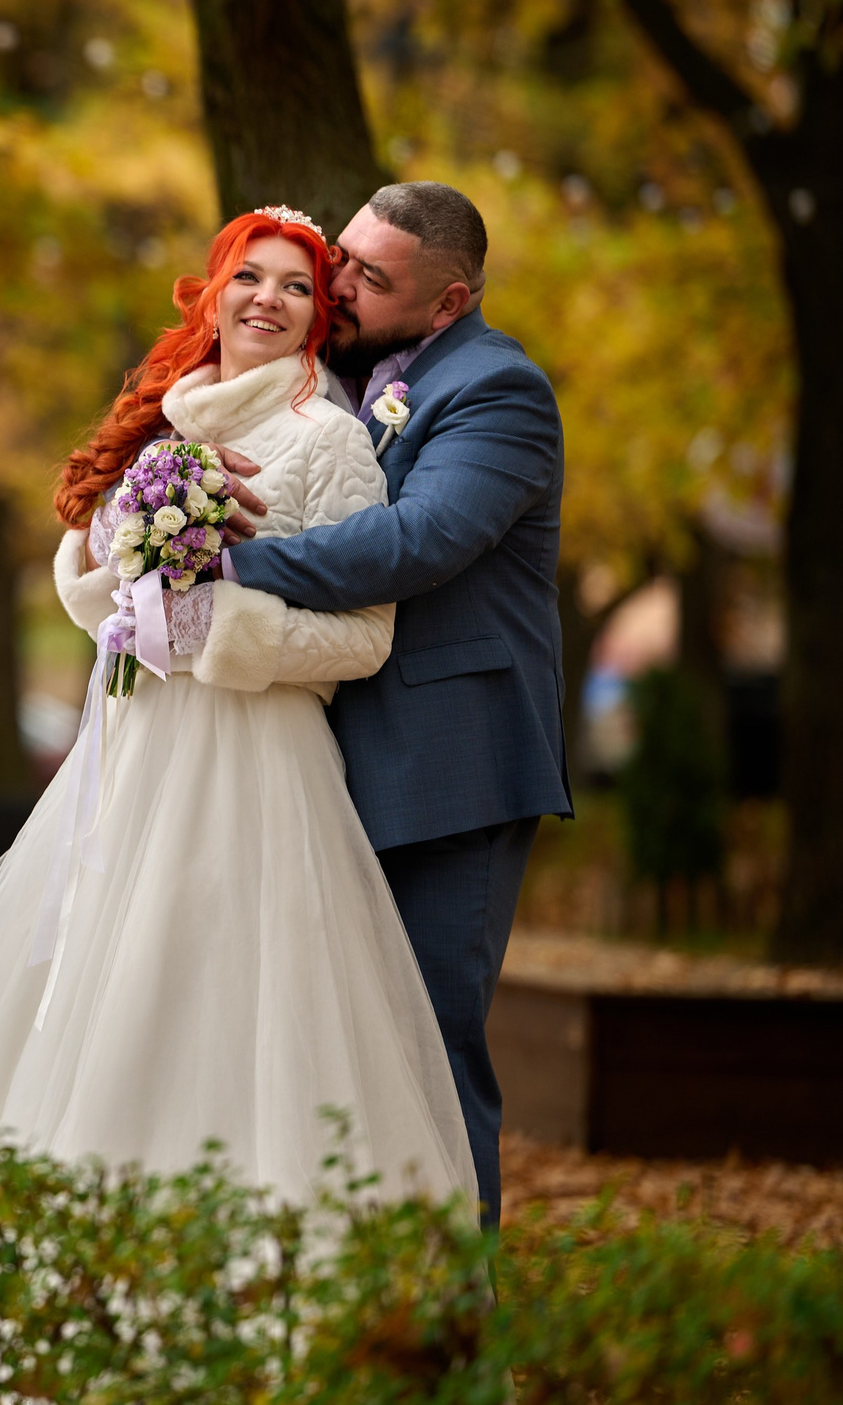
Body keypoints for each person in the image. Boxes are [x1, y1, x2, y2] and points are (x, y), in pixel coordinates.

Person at [0, 206, 476, 1213]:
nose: (268, 300)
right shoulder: (161, 422)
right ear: (214, 291)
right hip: (137, 745)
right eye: (250, 277)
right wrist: (118, 574)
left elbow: (365, 637)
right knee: (108, 984)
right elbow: (89, 585)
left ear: (320, 314)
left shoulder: (328, 442)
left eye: (294, 285)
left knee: (237, 990)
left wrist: (214, 629)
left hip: (257, 756)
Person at [212, 180, 569, 1227]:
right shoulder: (338, 372)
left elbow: (419, 541)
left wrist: (229, 564)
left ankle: (455, 1329)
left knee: (427, 1043)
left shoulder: (498, 392)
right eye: (347, 258)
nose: (341, 283)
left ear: (448, 302)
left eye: (371, 276)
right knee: (328, 1052)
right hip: (320, 764)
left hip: (447, 769)